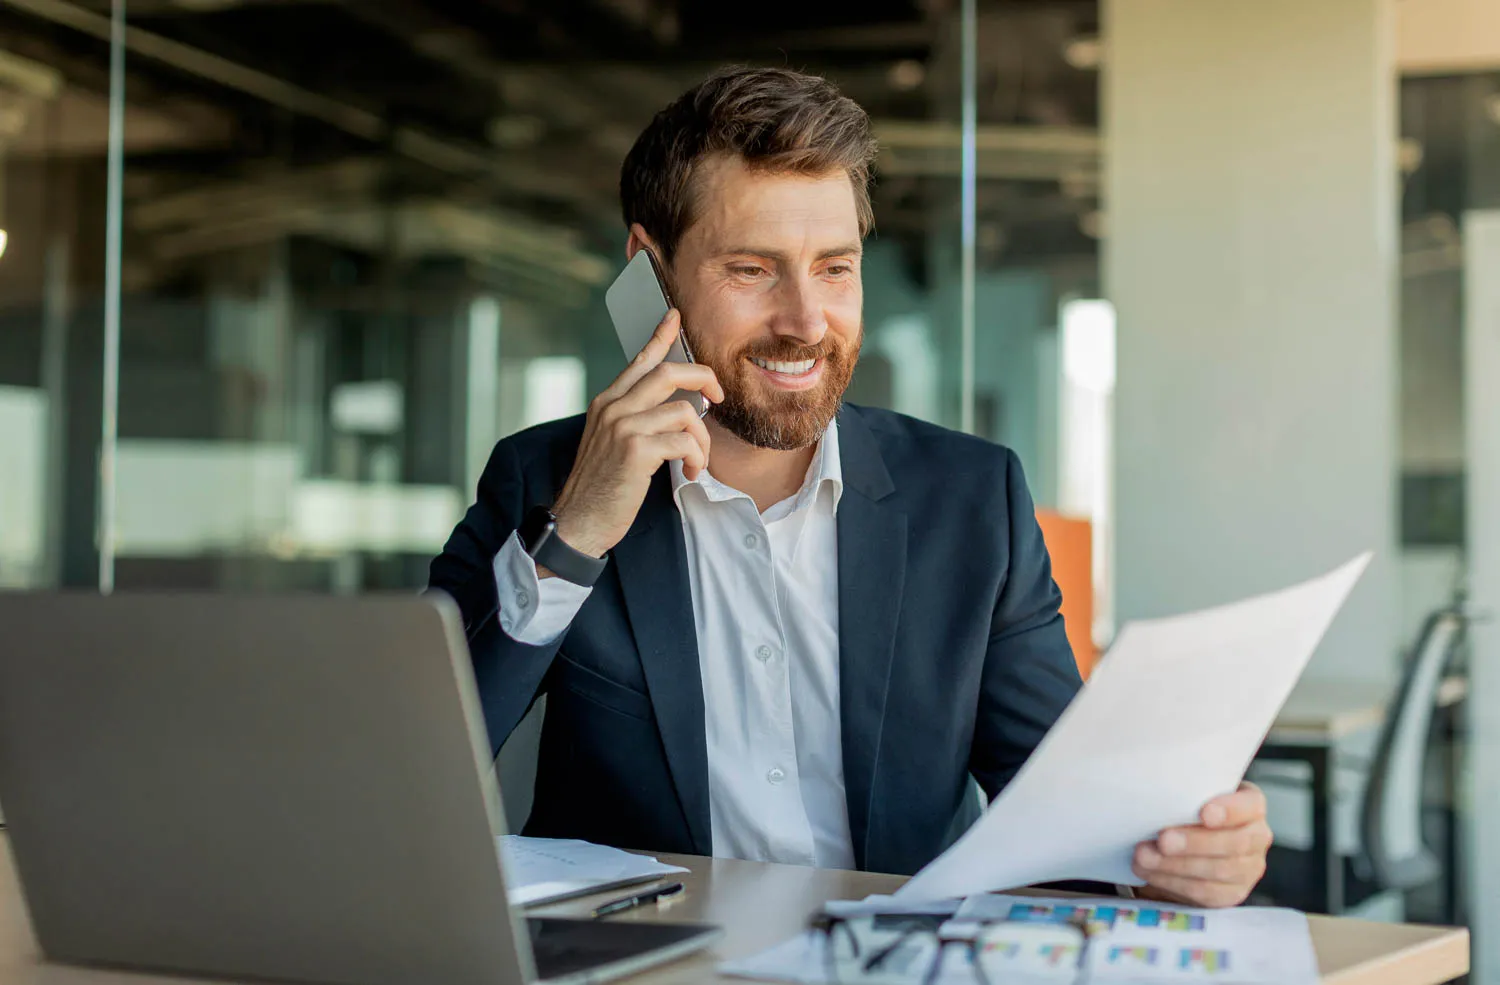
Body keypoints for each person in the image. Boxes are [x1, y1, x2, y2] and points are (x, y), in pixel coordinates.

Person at [429, 66, 1270, 908]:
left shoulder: (973, 500)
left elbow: (1065, 817)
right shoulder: (544, 481)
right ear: (650, 272)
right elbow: (412, 775)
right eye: (753, 270)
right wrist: (572, 539)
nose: (805, 321)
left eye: (834, 268)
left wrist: (1180, 853)